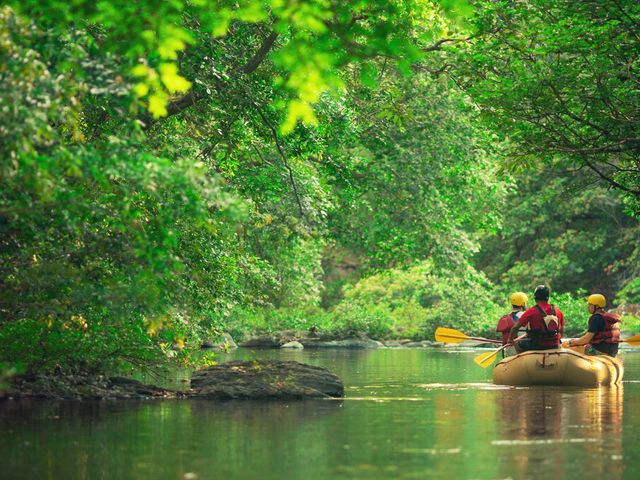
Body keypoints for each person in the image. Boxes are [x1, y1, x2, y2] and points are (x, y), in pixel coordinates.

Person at [508, 285, 564, 353]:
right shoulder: (558, 311)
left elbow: (515, 327)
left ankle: (521, 359)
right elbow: (561, 330)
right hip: (555, 345)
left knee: (518, 344)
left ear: (535, 298)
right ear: (548, 298)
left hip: (537, 345)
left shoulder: (531, 311)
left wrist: (510, 340)